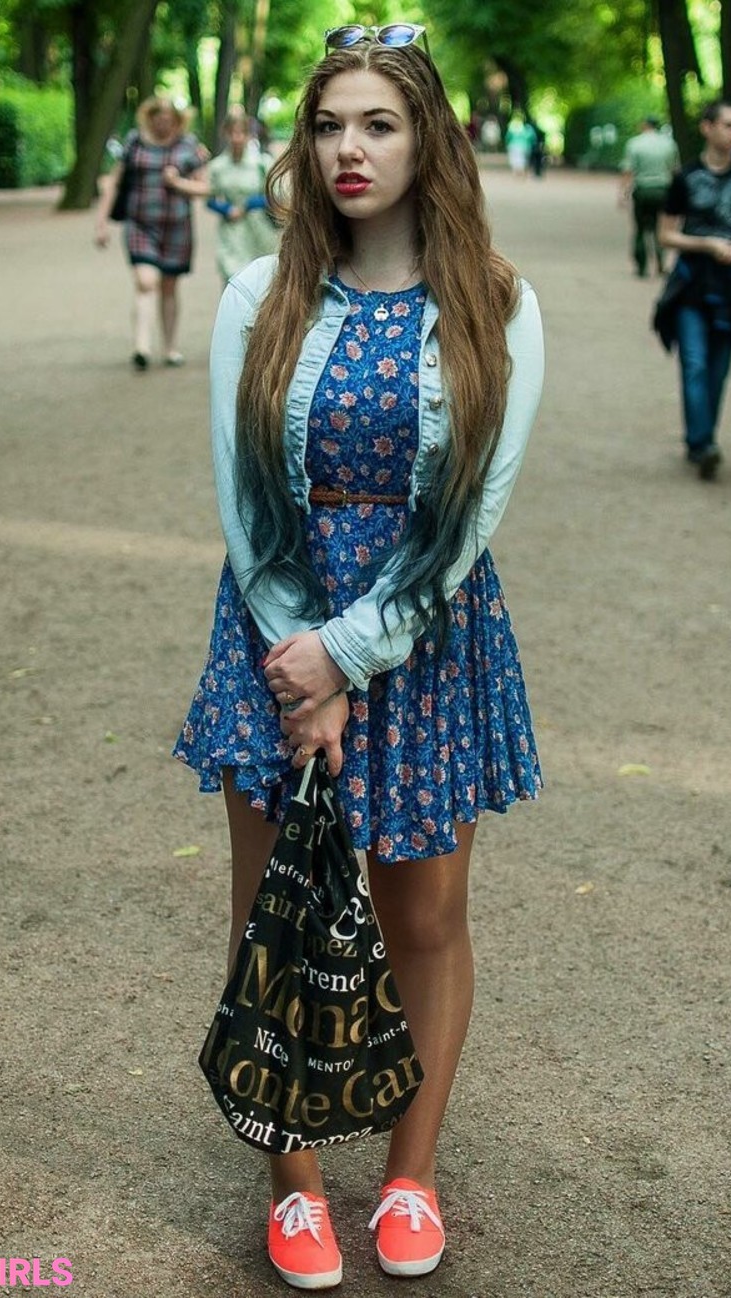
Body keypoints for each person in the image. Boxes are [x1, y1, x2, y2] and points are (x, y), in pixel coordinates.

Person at [174, 20, 545, 1291]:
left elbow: (473, 511)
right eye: (330, 125)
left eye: (379, 124)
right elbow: (244, 498)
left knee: (423, 913)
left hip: (423, 633)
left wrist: (352, 652)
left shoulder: (497, 300)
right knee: (272, 911)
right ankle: (292, 1184)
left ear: (426, 139)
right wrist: (302, 659)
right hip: (274, 631)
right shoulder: (255, 295)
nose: (351, 148)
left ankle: (409, 1174)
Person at [654, 99, 731, 479]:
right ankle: (702, 443)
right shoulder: (685, 177)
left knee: (719, 369)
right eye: (729, 125)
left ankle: (703, 439)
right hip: (690, 284)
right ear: (707, 128)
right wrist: (707, 244)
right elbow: (665, 235)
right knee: (695, 363)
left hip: (729, 285)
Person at [94, 96, 208, 371]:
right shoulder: (134, 143)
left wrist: (177, 183)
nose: (163, 125)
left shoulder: (189, 147)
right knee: (146, 282)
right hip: (140, 225)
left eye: (168, 120)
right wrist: (101, 223)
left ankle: (170, 348)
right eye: (158, 119)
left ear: (177, 121)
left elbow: (204, 188)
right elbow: (113, 182)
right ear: (150, 118)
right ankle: (142, 347)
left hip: (176, 227)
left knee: (169, 287)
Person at [206, 105, 280, 286]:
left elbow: (275, 196)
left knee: (261, 281)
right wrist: (226, 209)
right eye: (232, 133)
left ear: (248, 135)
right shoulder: (217, 166)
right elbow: (210, 197)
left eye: (240, 133)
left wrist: (249, 204)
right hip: (231, 231)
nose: (236, 138)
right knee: (232, 278)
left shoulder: (262, 163)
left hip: (258, 230)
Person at [619, 116, 679, 277]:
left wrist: (623, 193)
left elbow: (628, 170)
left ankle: (642, 266)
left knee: (640, 229)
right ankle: (660, 262)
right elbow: (674, 169)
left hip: (643, 190)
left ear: (644, 125)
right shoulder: (669, 144)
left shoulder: (634, 143)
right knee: (661, 227)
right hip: (663, 190)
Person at [504, 112, 536, 178]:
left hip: (514, 145)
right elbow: (532, 137)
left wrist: (507, 143)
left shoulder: (512, 127)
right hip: (525, 146)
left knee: (515, 158)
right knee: (523, 158)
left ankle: (516, 171)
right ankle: (521, 171)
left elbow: (508, 137)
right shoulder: (528, 128)